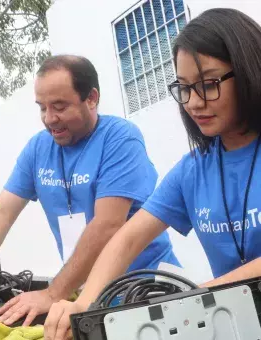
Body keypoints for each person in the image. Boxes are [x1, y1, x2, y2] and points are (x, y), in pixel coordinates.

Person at [43, 8, 261, 340]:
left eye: (209, 84)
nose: (193, 102)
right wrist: (85, 304)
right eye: (184, 88)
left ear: (247, 71)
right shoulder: (193, 169)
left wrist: (200, 297)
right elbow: (128, 237)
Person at [0, 55, 180, 328]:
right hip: (83, 295)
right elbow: (0, 212)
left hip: (145, 292)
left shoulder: (121, 139)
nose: (50, 119)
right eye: (42, 108)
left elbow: (107, 225)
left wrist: (54, 293)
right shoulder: (38, 148)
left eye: (60, 107)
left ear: (91, 97)